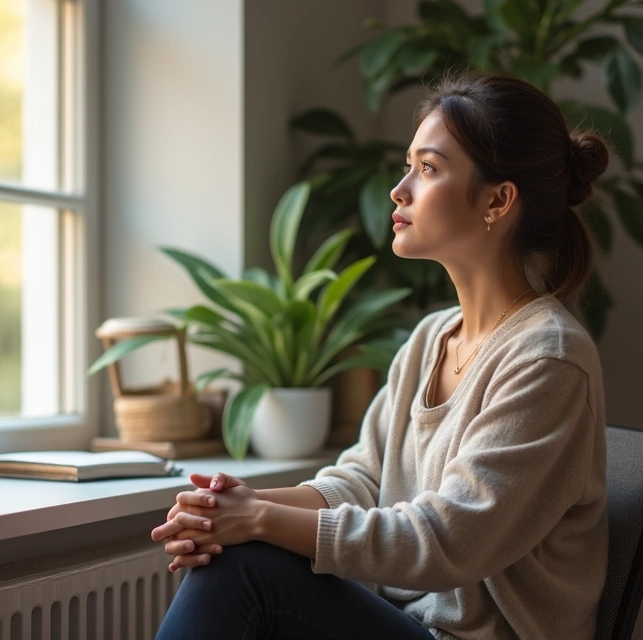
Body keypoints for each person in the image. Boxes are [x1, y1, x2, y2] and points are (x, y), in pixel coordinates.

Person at [150, 71, 611, 640]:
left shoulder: (548, 358)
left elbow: (447, 542)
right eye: (408, 166)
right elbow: (363, 481)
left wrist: (261, 521)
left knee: (246, 567)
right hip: (408, 627)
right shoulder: (430, 340)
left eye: (428, 169)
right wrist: (237, 506)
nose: (400, 189)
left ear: (497, 200)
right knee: (235, 552)